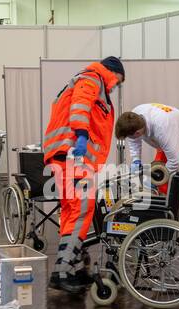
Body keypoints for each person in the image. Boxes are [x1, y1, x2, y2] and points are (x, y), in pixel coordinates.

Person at [43, 56, 125, 294]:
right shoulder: (93, 78)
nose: (116, 85)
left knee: (72, 211)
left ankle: (74, 269)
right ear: (113, 72)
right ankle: (61, 272)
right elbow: (80, 104)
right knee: (81, 209)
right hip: (74, 154)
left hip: (64, 156)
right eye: (118, 80)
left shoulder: (88, 79)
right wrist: (80, 133)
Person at [114, 103, 179, 213]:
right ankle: (163, 215)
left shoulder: (162, 126)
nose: (130, 139)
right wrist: (136, 159)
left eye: (130, 136)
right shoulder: (134, 117)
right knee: (160, 181)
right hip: (167, 142)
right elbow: (134, 140)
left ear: (137, 132)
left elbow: (175, 162)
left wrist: (158, 179)